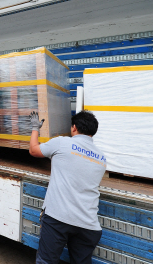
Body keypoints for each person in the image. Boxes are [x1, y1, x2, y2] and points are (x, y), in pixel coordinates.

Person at [28, 110, 106, 264]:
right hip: (88, 225)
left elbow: (33, 150)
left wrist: (35, 128)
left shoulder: (62, 143)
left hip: (58, 218)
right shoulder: (102, 158)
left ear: (74, 127)